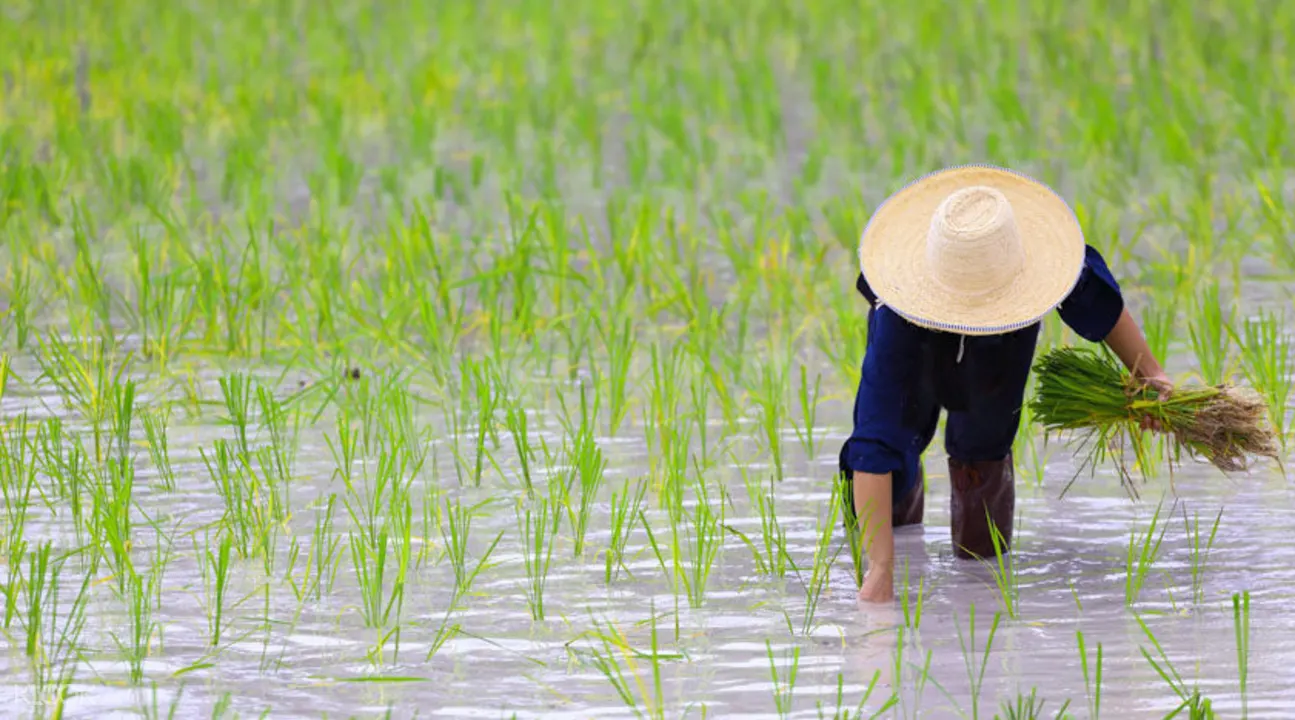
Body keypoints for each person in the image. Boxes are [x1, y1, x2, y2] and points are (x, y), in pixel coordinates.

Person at [837, 164, 1172, 604]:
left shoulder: (1031, 259)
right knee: (896, 445)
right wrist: (880, 571)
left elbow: (1099, 305)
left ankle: (981, 575)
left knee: (984, 443)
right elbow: (873, 446)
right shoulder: (899, 319)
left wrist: (1152, 376)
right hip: (918, 333)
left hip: (1005, 338)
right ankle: (891, 530)